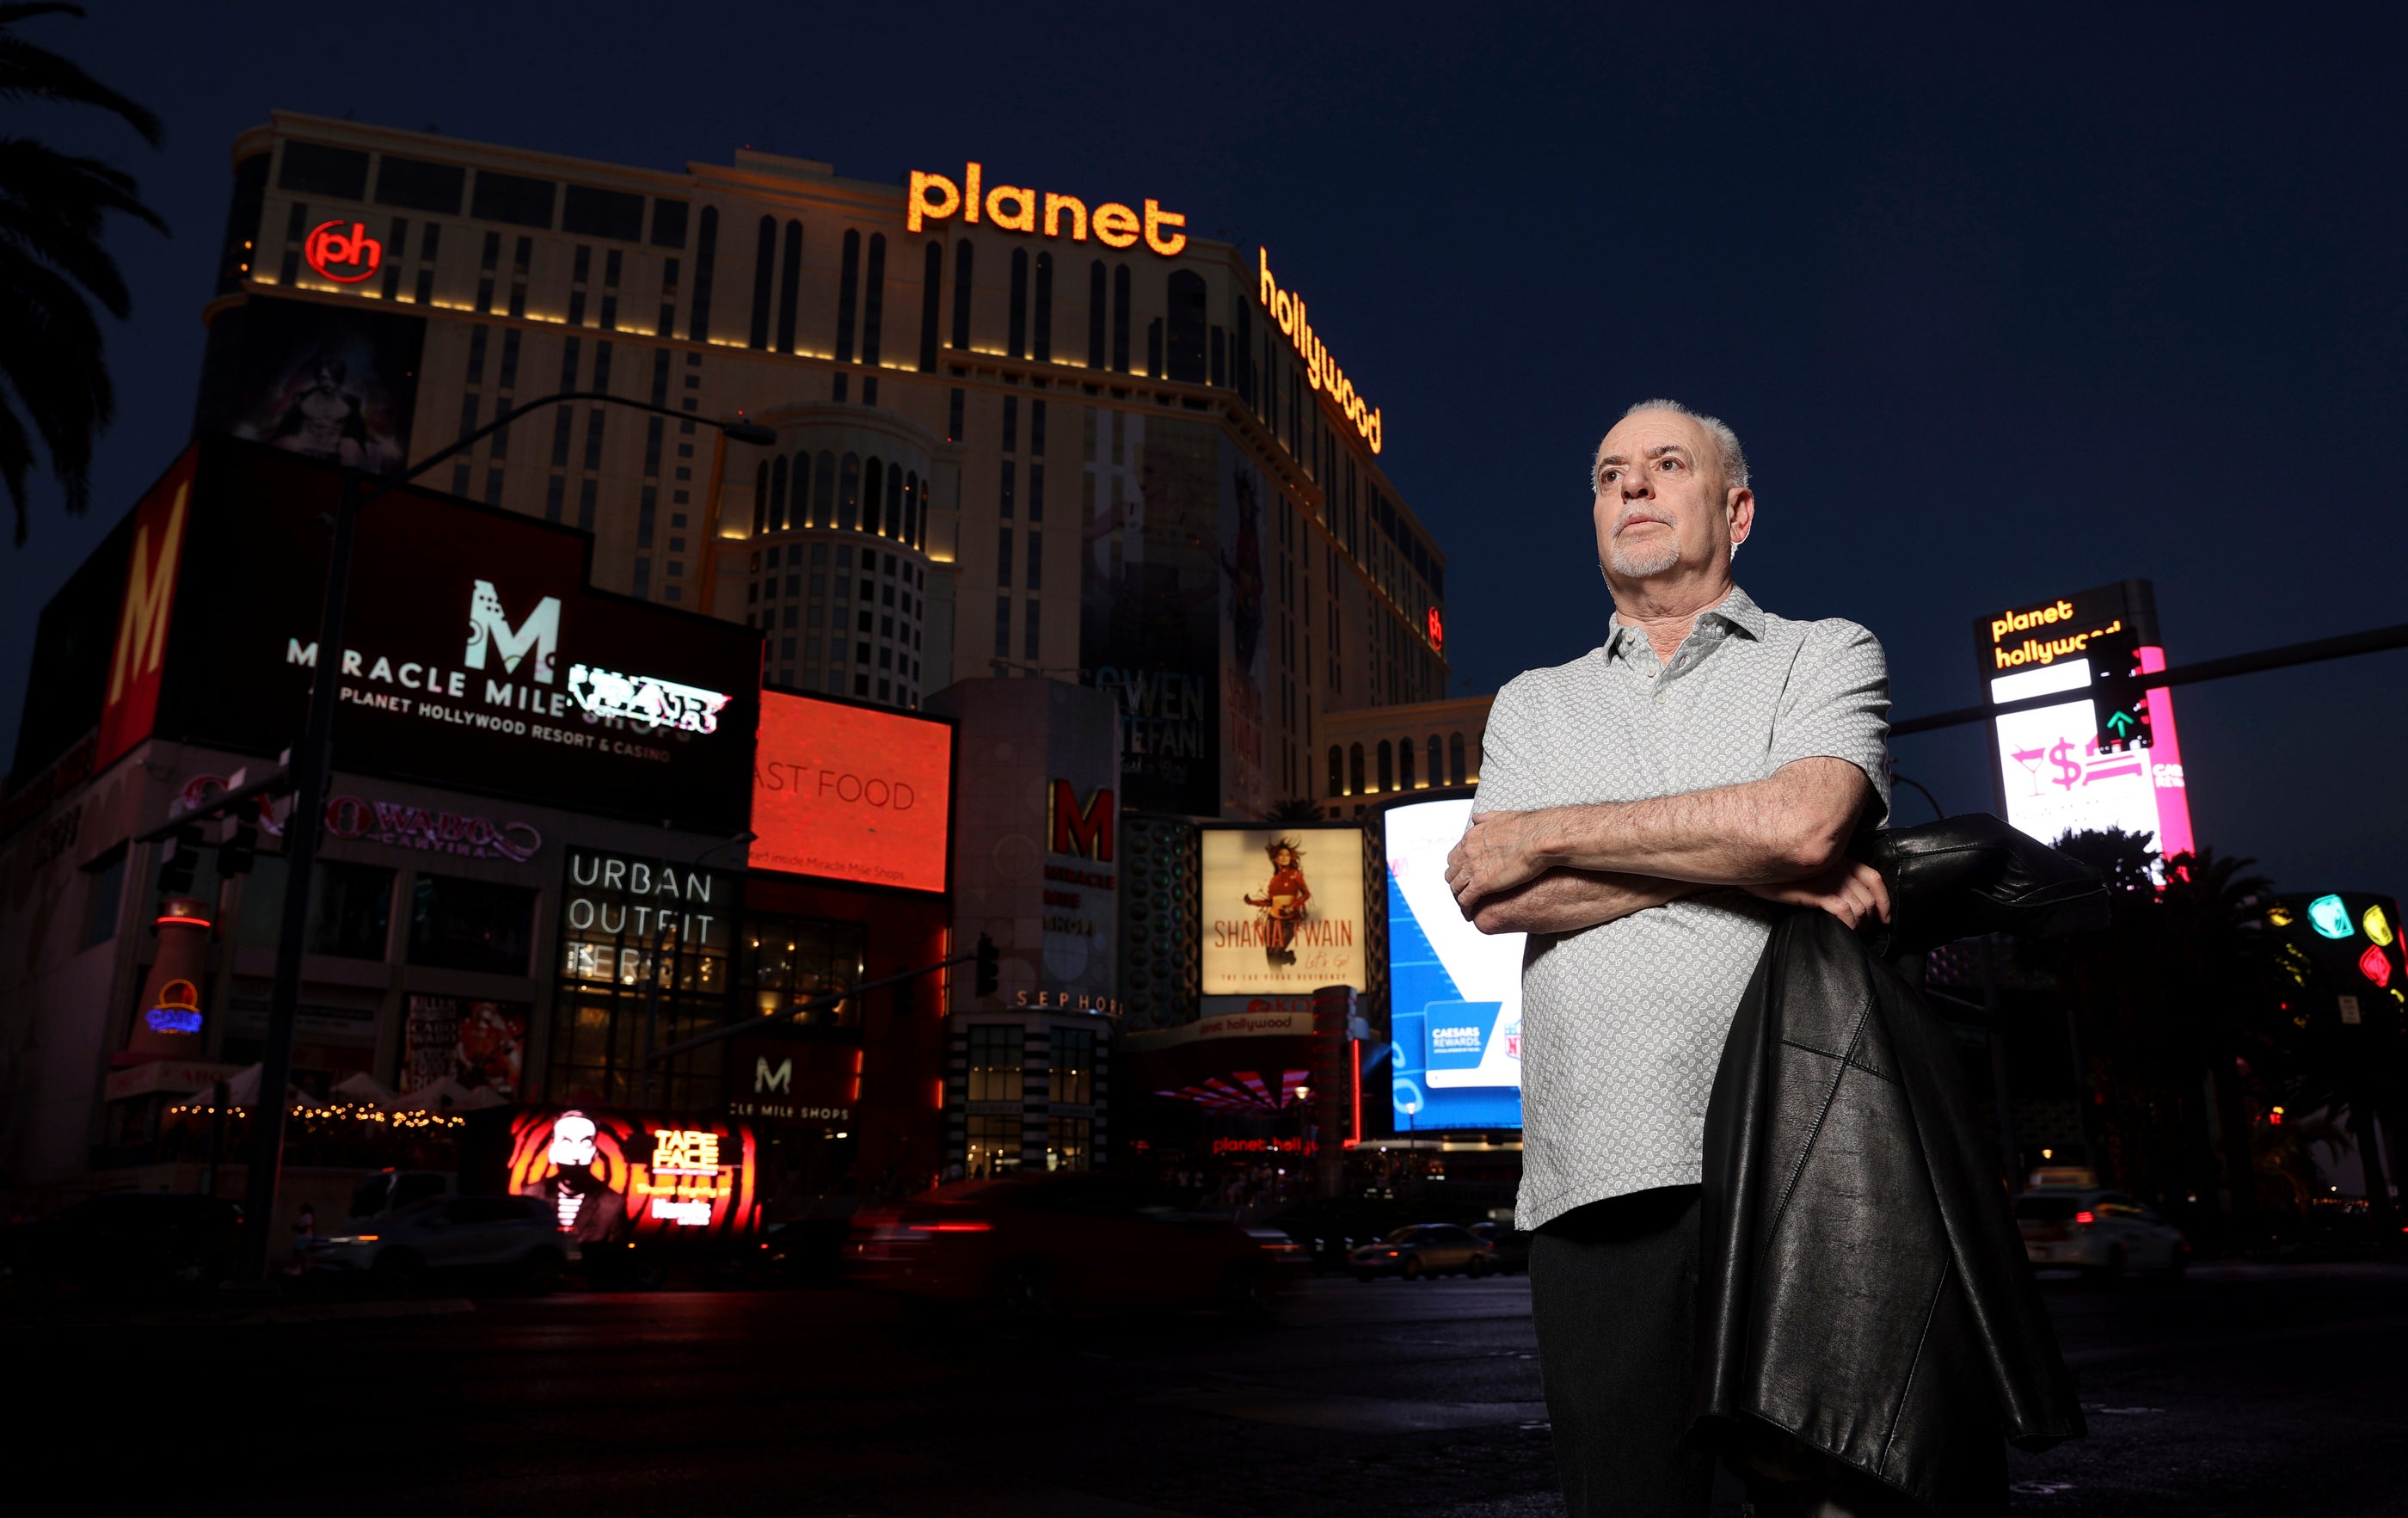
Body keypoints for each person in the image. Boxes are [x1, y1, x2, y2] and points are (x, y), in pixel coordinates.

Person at [1445, 400, 1894, 1516]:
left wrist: (1547, 829)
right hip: (1594, 1180)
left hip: (1801, 1167)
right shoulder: (1532, 704)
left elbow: (1803, 822)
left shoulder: (1823, 653)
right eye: (1607, 474)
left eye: (1665, 464)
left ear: (1736, 510)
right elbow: (1490, 893)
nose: (1632, 488)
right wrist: (1746, 857)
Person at [1242, 837, 1312, 966]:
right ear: (1275, 859)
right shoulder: (1274, 880)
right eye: (1281, 855)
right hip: (1272, 922)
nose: (1284, 857)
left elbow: (1306, 894)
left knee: (1275, 955)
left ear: (1291, 858)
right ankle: (1277, 984)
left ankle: (1288, 956)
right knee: (1270, 959)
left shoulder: (1295, 874)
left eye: (1287, 855)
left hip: (1288, 922)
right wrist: (1252, 902)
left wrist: (1292, 907)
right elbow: (1270, 902)